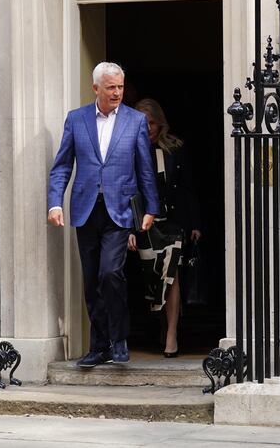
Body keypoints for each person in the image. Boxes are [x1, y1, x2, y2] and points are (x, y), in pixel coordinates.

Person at [48, 62, 159, 368]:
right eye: (111, 87)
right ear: (95, 88)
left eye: (121, 87)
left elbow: (145, 168)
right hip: (85, 209)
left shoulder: (135, 121)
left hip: (119, 210)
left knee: (110, 273)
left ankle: (119, 339)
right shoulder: (76, 119)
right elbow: (61, 167)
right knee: (90, 280)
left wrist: (151, 207)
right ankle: (99, 346)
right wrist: (55, 203)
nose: (117, 93)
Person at [129, 99, 201, 358]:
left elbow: (188, 187)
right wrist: (129, 227)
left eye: (150, 122)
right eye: (141, 122)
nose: (147, 127)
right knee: (155, 279)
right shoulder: (129, 150)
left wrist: (195, 224)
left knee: (172, 277)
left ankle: (172, 334)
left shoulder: (176, 149)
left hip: (174, 222)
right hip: (146, 225)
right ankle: (161, 325)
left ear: (160, 123)